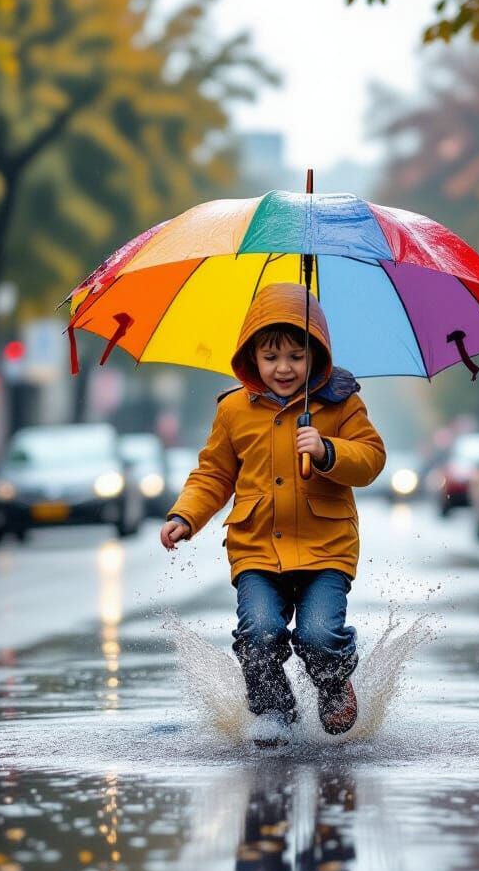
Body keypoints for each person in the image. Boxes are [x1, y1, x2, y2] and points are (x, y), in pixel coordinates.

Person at [159, 283, 386, 744]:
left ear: (316, 354)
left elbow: (371, 459)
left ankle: (333, 681)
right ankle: (273, 710)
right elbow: (213, 475)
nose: (284, 368)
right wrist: (185, 515)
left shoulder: (342, 403)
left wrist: (327, 450)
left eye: (296, 356)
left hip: (325, 549)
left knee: (320, 635)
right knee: (259, 633)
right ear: (251, 358)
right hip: (257, 549)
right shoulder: (234, 410)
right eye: (271, 356)